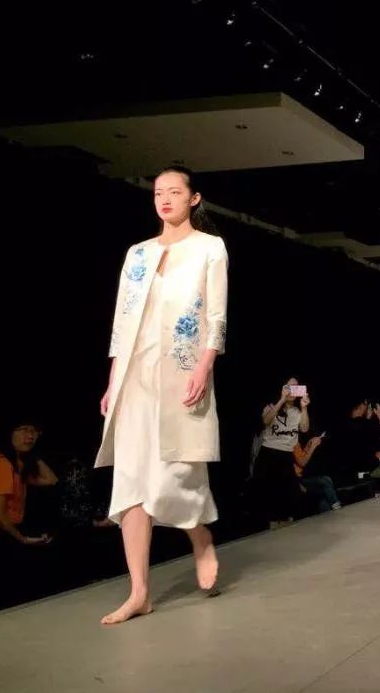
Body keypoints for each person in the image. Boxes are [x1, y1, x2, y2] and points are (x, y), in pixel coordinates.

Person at [95, 166, 227, 625]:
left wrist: (204, 367)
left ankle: (200, 537)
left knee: (177, 470)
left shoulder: (210, 248)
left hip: (181, 371)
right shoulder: (138, 253)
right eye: (158, 193)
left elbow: (216, 316)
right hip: (135, 375)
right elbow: (121, 321)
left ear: (194, 198)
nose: (165, 199)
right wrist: (113, 380)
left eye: (174, 191)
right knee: (131, 480)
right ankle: (139, 592)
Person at [0, 420, 58, 546]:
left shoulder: (17, 468)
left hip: (7, 530)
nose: (31, 436)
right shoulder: (2, 465)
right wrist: (23, 539)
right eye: (24, 429)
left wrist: (31, 453)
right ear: (9, 433)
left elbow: (52, 480)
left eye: (34, 432)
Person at [253, 379, 310, 528]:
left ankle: (284, 528)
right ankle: (273, 528)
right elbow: (266, 420)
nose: (292, 390)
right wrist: (282, 400)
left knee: (290, 497)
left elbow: (304, 428)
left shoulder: (297, 411)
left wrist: (304, 408)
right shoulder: (271, 406)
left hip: (286, 455)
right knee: (271, 497)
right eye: (288, 387)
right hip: (269, 454)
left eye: (295, 388)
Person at [293, 433, 341, 515]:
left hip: (302, 477)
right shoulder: (290, 443)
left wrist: (309, 445)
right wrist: (313, 446)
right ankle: (335, 506)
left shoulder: (295, 442)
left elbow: (301, 456)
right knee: (325, 482)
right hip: (296, 480)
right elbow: (302, 462)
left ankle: (330, 512)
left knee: (327, 484)